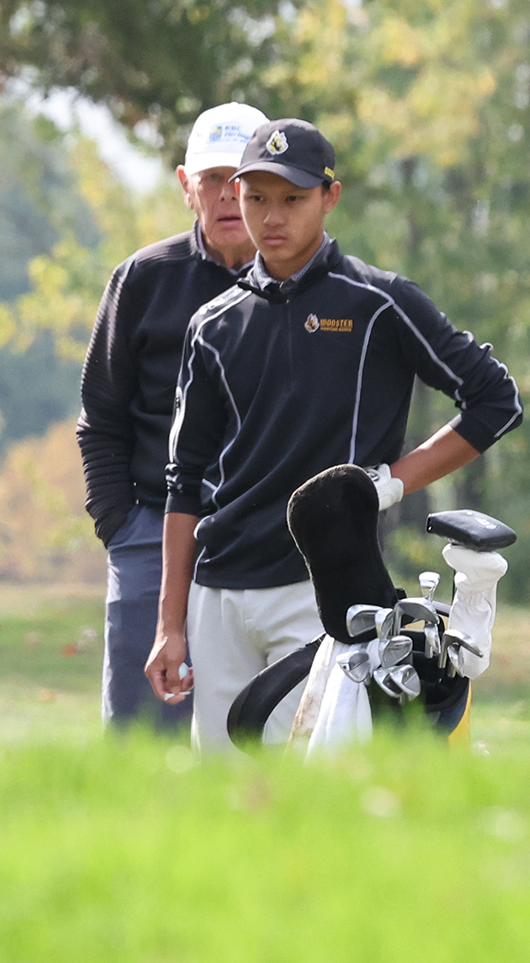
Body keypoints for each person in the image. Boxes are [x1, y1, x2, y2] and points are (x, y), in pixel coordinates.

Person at [146, 118, 521, 754]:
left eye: (292, 198)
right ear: (234, 197)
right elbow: (184, 481)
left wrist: (390, 485)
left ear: (330, 196)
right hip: (218, 591)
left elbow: (493, 400)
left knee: (311, 789)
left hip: (321, 589)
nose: (272, 216)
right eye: (255, 196)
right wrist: (169, 623)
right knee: (222, 791)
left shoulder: (380, 301)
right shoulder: (212, 323)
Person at [76, 102, 267, 733]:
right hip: (151, 531)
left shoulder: (307, 288)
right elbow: (100, 418)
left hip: (266, 536)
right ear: (187, 186)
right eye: (211, 180)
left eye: (242, 180)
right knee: (140, 737)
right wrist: (119, 525)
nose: (227, 195)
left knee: (256, 732)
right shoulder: (143, 279)